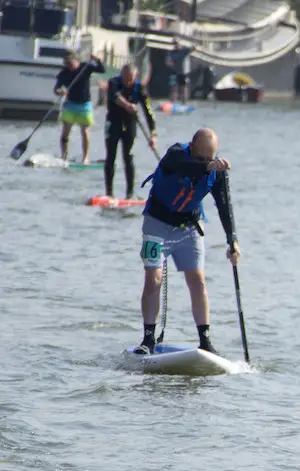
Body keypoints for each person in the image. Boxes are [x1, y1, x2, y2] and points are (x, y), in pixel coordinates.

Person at [134, 128, 239, 356]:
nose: (204, 163)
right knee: (154, 279)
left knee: (198, 281)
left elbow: (224, 207)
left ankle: (205, 340)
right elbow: (185, 166)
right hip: (156, 226)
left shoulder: (216, 172)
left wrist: (233, 240)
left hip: (189, 229)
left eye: (209, 158)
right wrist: (208, 166)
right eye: (200, 157)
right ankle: (148, 340)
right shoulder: (175, 155)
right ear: (191, 147)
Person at [104, 64, 157, 199]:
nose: (128, 83)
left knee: (128, 157)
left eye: (131, 80)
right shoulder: (113, 82)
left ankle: (129, 194)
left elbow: (148, 112)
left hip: (130, 124)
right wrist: (127, 105)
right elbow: (115, 96)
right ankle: (109, 193)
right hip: (113, 123)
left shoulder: (139, 88)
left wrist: (153, 135)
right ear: (122, 75)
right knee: (111, 157)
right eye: (126, 79)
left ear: (135, 77)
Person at [53, 51, 104, 163]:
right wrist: (60, 91)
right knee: (65, 131)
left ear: (76, 61)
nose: (68, 67)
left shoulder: (85, 67)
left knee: (85, 131)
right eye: (66, 64)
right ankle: (64, 156)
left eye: (70, 64)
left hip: (84, 105)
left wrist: (97, 60)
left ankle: (85, 157)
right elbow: (56, 88)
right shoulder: (64, 73)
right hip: (70, 104)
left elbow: (102, 70)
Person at [166, 38, 193, 103]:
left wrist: (193, 46)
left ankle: (184, 102)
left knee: (183, 87)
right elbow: (168, 61)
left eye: (177, 43)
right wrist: (169, 63)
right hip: (173, 72)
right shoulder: (171, 52)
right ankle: (172, 102)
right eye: (174, 44)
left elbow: (193, 49)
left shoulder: (184, 50)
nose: (176, 45)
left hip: (183, 73)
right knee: (173, 87)